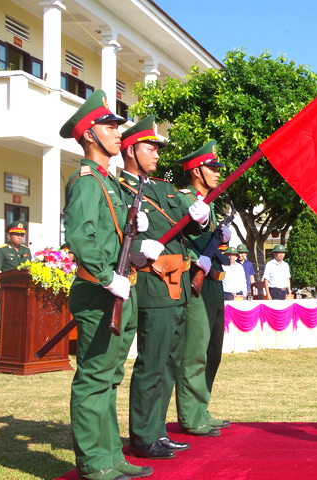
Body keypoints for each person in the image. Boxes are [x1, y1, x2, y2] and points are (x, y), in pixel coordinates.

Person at [60, 90, 152, 480]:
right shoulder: (86, 182)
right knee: (94, 378)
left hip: (118, 290)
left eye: (117, 126)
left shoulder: (109, 182)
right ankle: (94, 462)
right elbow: (81, 238)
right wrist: (106, 277)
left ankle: (111, 455)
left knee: (111, 378)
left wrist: (138, 248)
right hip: (99, 292)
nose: (118, 132)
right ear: (88, 135)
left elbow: (114, 238)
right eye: (109, 126)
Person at [117, 116, 210, 461]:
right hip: (152, 286)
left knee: (170, 362)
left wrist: (202, 217)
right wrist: (142, 244)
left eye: (157, 148)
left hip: (179, 286)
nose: (156, 154)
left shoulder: (162, 189)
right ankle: (142, 435)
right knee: (152, 362)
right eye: (149, 147)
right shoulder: (118, 189)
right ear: (130, 150)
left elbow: (195, 228)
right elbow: (121, 237)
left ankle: (156, 430)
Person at [174, 140, 231, 438]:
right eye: (212, 168)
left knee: (213, 351)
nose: (218, 173)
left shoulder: (212, 204)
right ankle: (190, 415)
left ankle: (202, 407)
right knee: (194, 352)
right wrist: (199, 260)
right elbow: (180, 241)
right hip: (195, 283)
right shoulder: (185, 201)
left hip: (215, 283)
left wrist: (222, 237)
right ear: (197, 171)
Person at [0, 221, 31, 298]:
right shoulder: (2, 250)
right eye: (17, 235)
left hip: (24, 287)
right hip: (8, 287)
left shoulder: (26, 250)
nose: (20, 237)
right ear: (9, 236)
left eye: (22, 235)